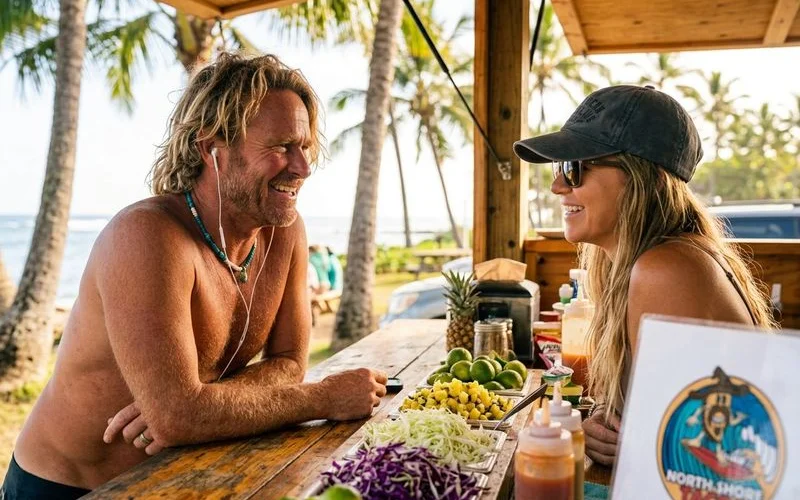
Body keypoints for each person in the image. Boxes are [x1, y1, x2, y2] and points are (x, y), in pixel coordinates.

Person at [1, 52, 387, 499]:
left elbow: (288, 364)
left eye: (304, 146)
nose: (302, 166)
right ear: (213, 149)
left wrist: (202, 404)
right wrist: (323, 398)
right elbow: (179, 417)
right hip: (69, 488)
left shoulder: (284, 232)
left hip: (179, 476)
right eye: (281, 147)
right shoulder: (147, 235)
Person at [513, 85, 777, 467]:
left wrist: (639, 439)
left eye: (573, 169)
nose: (557, 186)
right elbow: (665, 420)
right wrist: (613, 425)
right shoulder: (638, 262)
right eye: (558, 169)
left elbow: (704, 457)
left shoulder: (668, 268)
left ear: (638, 176)